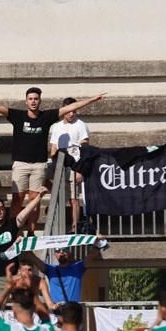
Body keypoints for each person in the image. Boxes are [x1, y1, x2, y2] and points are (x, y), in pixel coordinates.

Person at [0, 89, 105, 232]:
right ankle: (12, 231)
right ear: (26, 101)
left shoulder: (46, 116)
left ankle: (31, 231)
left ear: (40, 101)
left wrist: (92, 100)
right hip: (20, 163)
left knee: (35, 201)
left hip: (39, 165)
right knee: (17, 199)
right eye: (30, 99)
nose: (33, 101)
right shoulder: (18, 115)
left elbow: (70, 108)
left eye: (36, 99)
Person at [0, 195, 42, 300]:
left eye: (1, 208)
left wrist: (39, 196)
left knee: (22, 310)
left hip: (16, 277)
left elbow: (26, 212)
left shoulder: (11, 224)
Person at [49, 97, 92, 233]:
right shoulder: (56, 127)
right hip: (60, 166)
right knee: (58, 197)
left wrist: (80, 170)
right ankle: (57, 227)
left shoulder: (81, 125)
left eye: (74, 111)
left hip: (75, 167)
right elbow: (53, 147)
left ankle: (74, 227)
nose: (71, 114)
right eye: (69, 111)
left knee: (74, 199)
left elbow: (85, 148)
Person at [39, 242, 105, 308]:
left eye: (64, 250)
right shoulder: (50, 269)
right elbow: (32, 259)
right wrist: (31, 234)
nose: (61, 252)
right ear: (55, 254)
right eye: (58, 250)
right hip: (56, 311)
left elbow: (93, 254)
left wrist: (100, 241)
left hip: (73, 312)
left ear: (69, 252)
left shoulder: (78, 267)